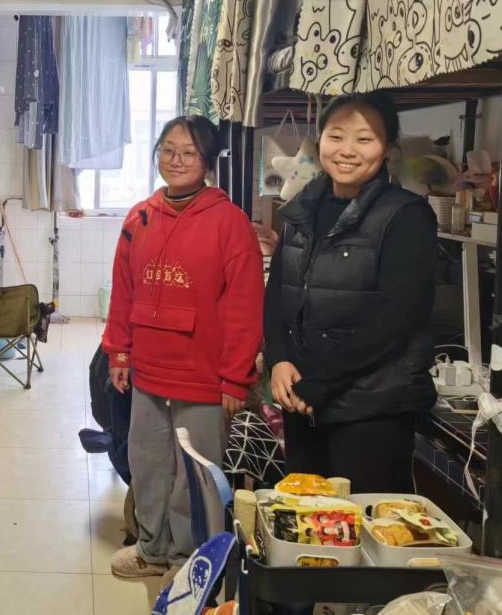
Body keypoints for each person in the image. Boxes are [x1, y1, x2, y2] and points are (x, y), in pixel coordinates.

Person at [103, 115, 264, 583]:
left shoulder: (230, 223)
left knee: (194, 474)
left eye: (189, 152)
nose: (176, 160)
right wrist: (119, 352)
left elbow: (245, 305)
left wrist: (235, 377)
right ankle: (151, 549)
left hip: (204, 374)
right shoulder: (140, 217)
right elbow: (123, 291)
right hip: (148, 368)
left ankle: (188, 561)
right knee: (148, 463)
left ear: (208, 162)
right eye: (167, 150)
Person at [264, 92, 438, 494]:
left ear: (388, 148)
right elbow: (277, 295)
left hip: (372, 408)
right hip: (304, 399)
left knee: (364, 521)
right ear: (320, 140)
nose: (347, 150)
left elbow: (394, 320)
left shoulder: (406, 215)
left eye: (364, 139)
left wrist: (321, 380)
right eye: (336, 136)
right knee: (308, 517)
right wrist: (279, 358)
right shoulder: (301, 209)